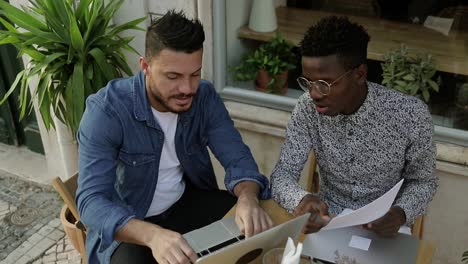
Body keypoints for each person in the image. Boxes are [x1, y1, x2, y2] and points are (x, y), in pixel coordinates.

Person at [76, 10, 273, 264]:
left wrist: (247, 197)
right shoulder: (107, 111)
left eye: (195, 74)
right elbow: (91, 202)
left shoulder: (204, 97)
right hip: (131, 226)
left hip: (185, 202)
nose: (187, 89)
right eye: (173, 77)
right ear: (145, 67)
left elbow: (238, 158)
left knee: (259, 231)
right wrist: (153, 236)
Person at [271, 16, 438, 237]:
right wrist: (301, 199)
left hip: (385, 227)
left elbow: (423, 181)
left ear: (359, 74)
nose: (313, 94)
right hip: (328, 222)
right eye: (307, 82)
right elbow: (282, 174)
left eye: (324, 83)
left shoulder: (410, 114)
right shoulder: (306, 108)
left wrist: (400, 213)